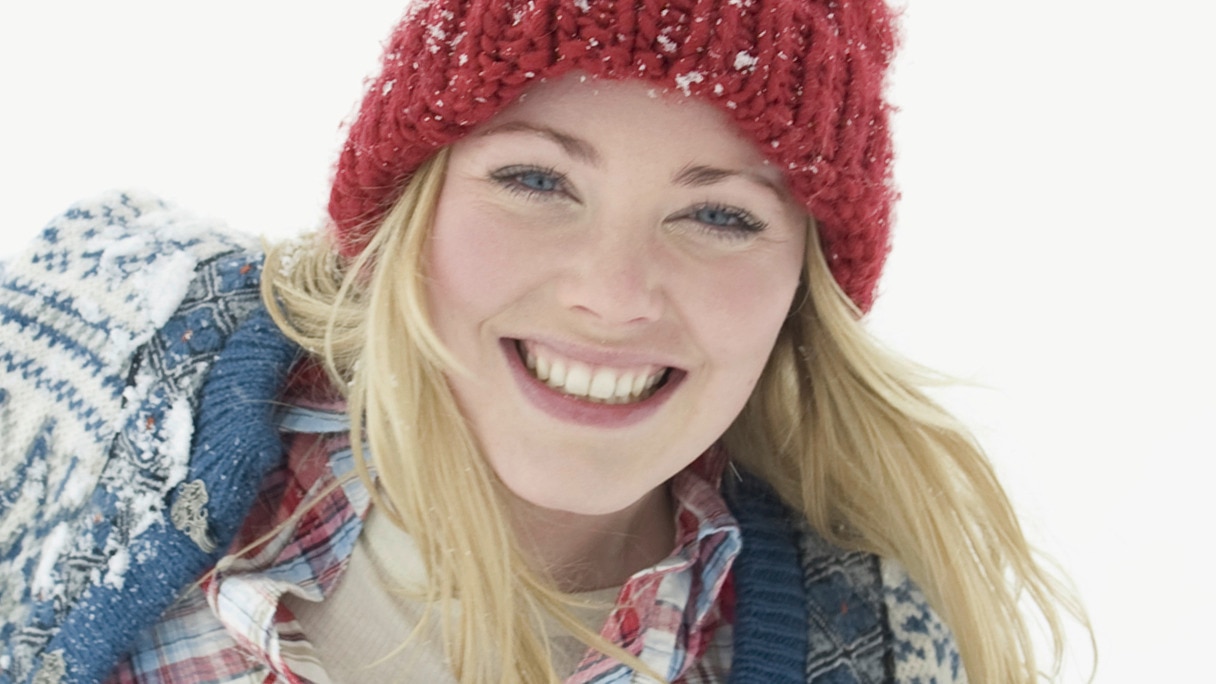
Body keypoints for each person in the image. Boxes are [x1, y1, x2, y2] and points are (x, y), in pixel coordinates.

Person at [0, 0, 1088, 682]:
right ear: (402, 211)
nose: (613, 296)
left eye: (717, 216)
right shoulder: (96, 364)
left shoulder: (880, 646)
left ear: (802, 288)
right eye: (536, 180)